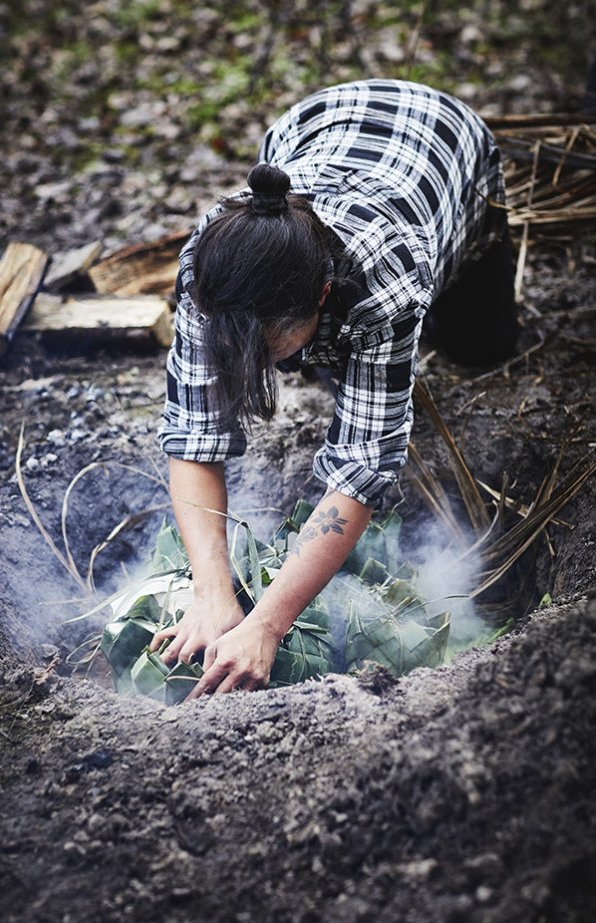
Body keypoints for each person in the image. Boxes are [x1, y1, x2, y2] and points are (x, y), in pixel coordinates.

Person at [150, 78, 518, 698]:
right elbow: (194, 432)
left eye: (267, 348)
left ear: (324, 294)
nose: (252, 364)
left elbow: (362, 469)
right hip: (321, 119)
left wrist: (266, 624)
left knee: (480, 347)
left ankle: (391, 338)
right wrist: (211, 592)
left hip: (447, 148)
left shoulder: (388, 277)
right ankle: (320, 354)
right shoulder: (209, 271)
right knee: (322, 365)